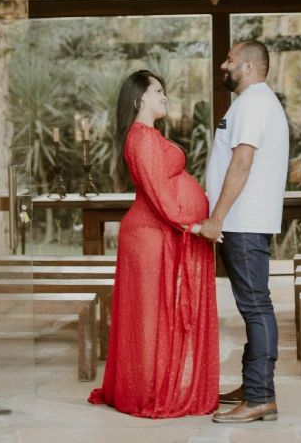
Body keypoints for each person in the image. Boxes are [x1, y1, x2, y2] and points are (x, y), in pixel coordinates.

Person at [88, 70, 219, 418]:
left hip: (158, 234)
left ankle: (153, 383)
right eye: (158, 91)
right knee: (150, 318)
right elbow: (159, 194)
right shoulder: (141, 137)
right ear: (139, 99)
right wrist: (193, 224)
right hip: (150, 237)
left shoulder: (149, 135)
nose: (164, 97)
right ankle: (145, 390)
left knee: (157, 316)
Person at [200, 40, 289, 424]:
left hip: (243, 222)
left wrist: (216, 218)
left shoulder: (253, 102)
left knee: (256, 306)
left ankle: (260, 396)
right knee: (254, 305)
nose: (224, 64)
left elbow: (242, 161)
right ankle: (252, 386)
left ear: (249, 66)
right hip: (244, 222)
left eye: (231, 60)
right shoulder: (252, 101)